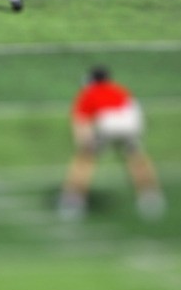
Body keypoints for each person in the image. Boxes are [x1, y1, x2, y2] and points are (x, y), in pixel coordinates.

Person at [59, 66, 165, 220]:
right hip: (131, 125)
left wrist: (84, 143)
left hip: (109, 124)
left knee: (85, 160)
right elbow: (134, 111)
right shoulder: (119, 89)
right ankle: (150, 196)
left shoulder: (90, 92)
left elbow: (81, 121)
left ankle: (73, 199)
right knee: (136, 159)